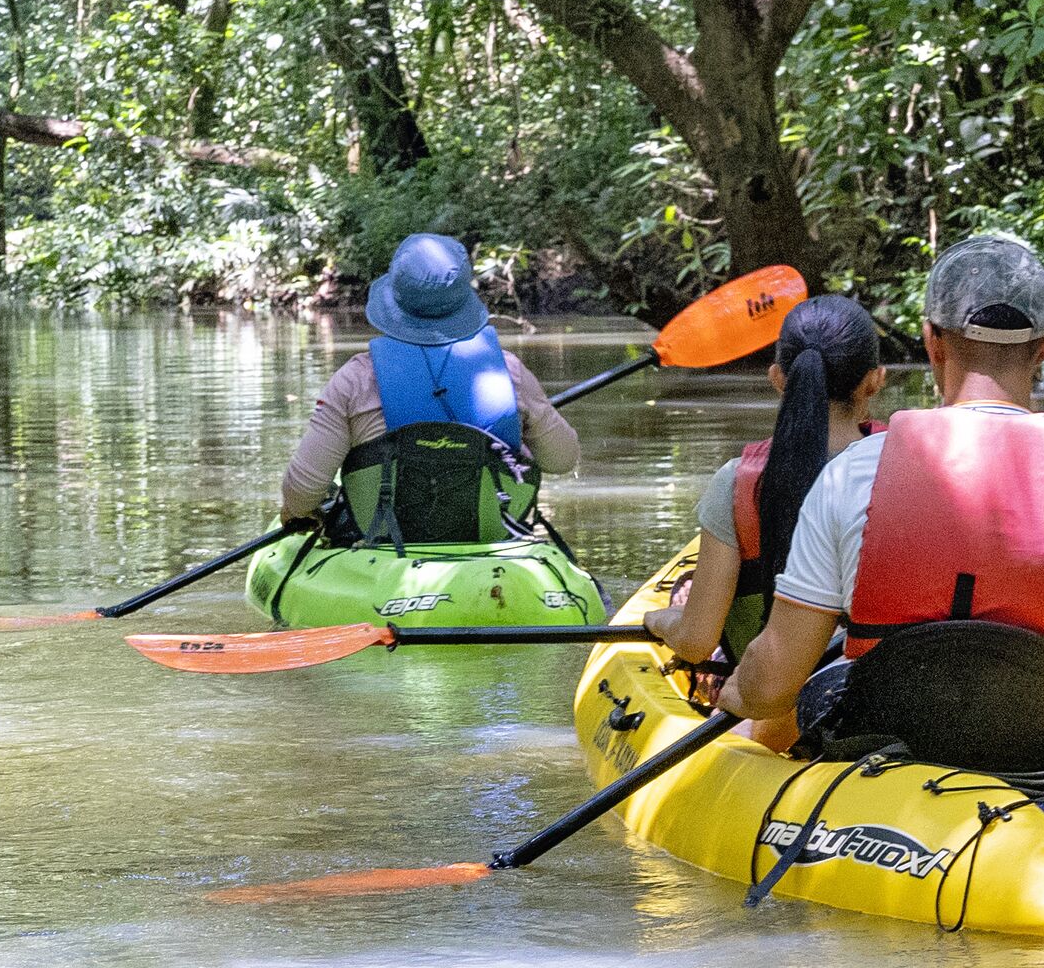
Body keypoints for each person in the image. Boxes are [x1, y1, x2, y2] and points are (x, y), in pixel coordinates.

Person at [724, 233, 1044, 774]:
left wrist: (737, 692)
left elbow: (771, 688)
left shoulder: (850, 475)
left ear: (932, 341)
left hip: (890, 754)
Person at [643, 294, 888, 684]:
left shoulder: (737, 483)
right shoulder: (911, 469)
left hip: (771, 691)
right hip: (883, 684)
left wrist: (660, 619)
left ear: (777, 378)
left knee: (686, 597)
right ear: (875, 380)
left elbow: (696, 641)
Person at [283, 233, 581, 541]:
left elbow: (303, 493)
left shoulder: (354, 381)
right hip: (489, 544)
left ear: (394, 300)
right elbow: (562, 460)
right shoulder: (509, 373)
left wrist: (298, 512)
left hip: (387, 549)